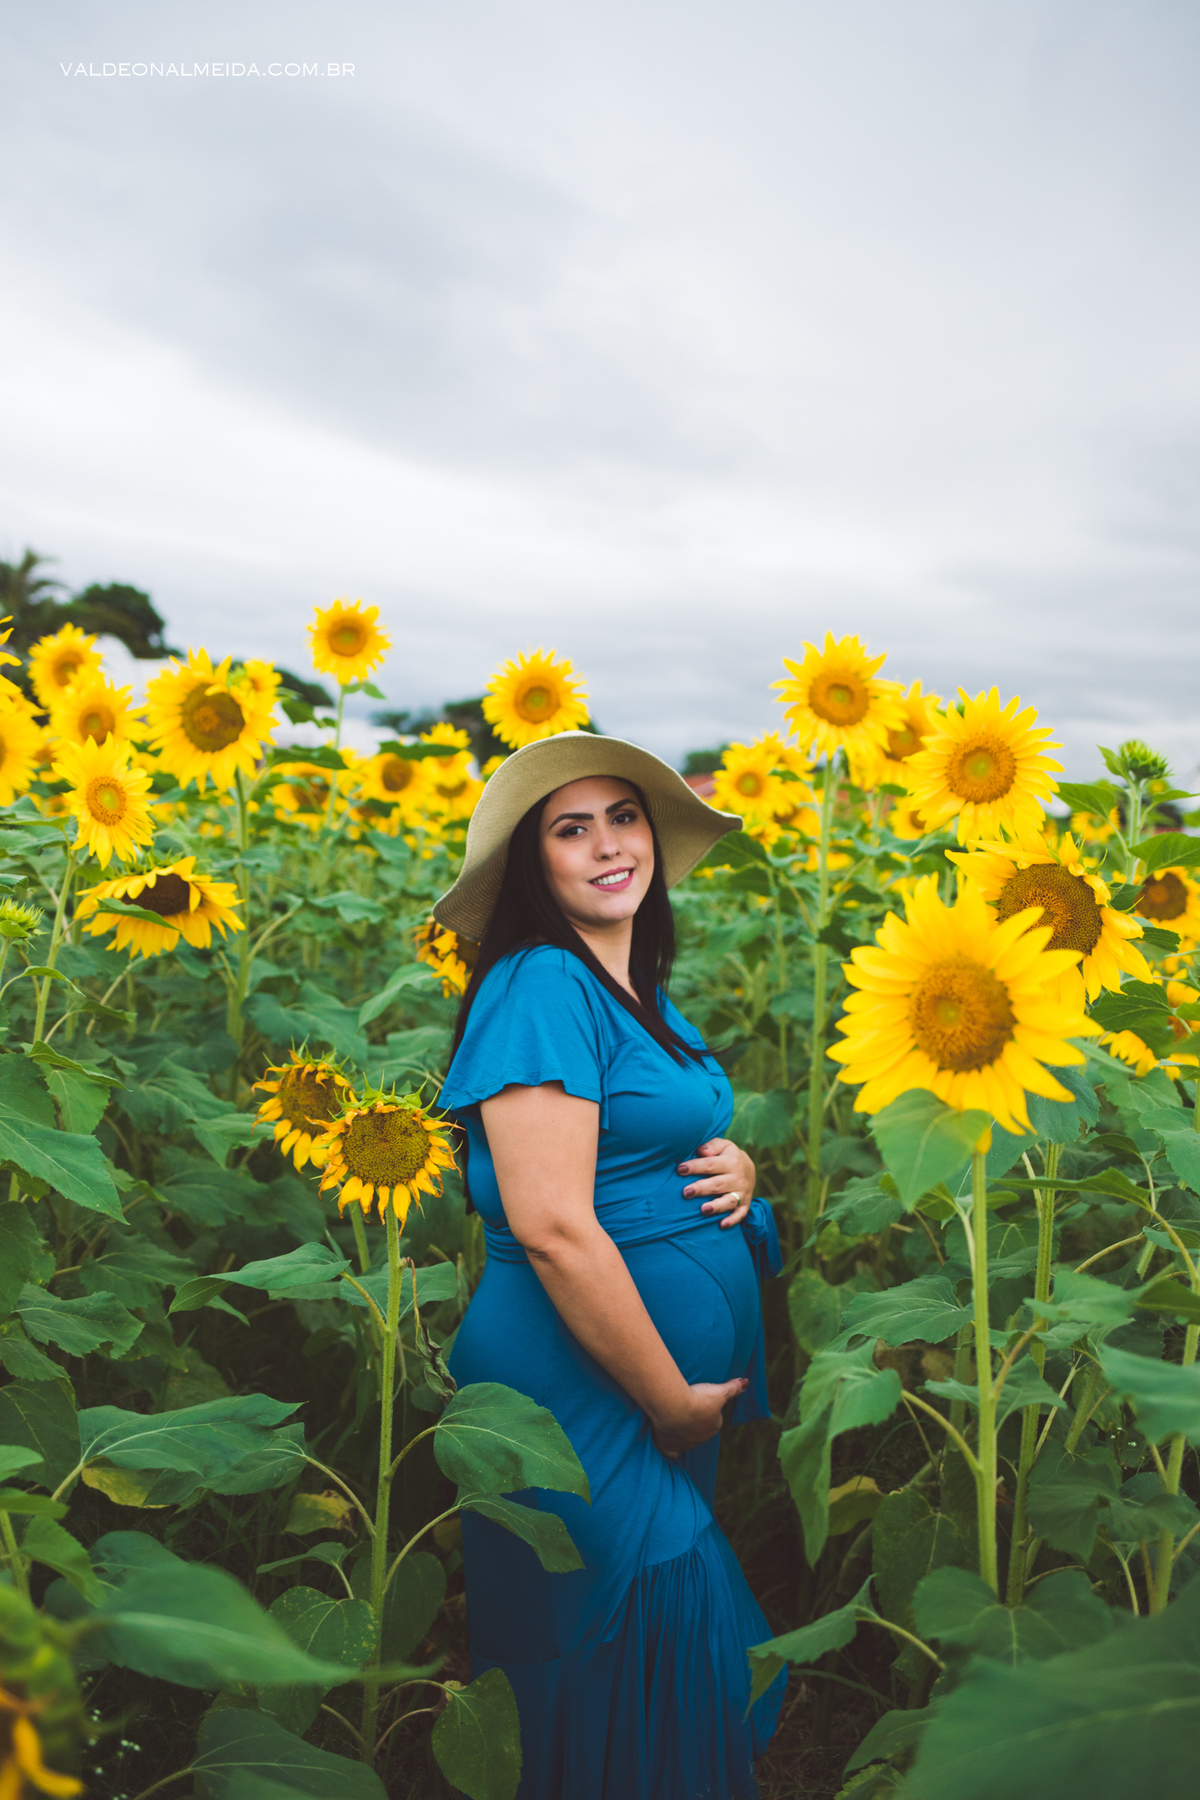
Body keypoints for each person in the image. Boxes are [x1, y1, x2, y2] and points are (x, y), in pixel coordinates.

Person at [434, 730, 786, 1800]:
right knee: (632, 1632)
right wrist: (671, 1399)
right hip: (584, 1389)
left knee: (647, 1650)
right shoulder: (542, 980)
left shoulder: (632, 987)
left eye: (622, 817)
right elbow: (552, 1225)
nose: (606, 846)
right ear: (534, 867)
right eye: (569, 829)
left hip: (635, 1380)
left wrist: (741, 1167)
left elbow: (650, 1132)